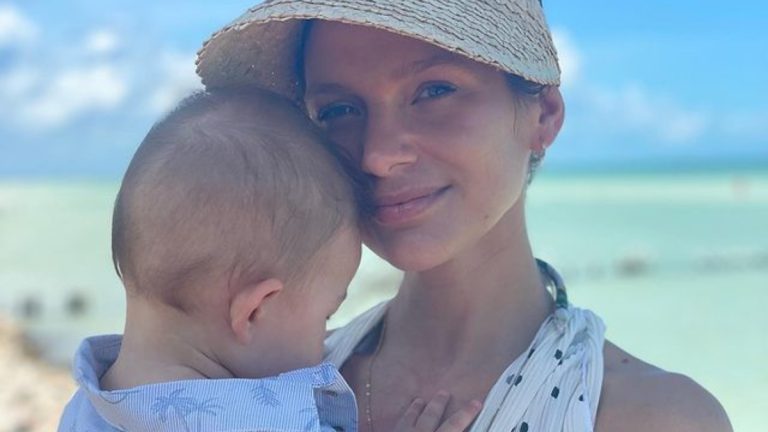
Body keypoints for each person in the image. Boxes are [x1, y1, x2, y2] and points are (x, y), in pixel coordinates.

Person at [195, 1, 733, 431]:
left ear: (544, 115)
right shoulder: (269, 387)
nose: (377, 154)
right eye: (338, 111)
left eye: (434, 91)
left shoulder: (650, 416)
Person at [57, 88, 482, 432]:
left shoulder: (85, 407)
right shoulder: (270, 420)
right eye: (325, 315)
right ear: (255, 311)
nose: (326, 340)